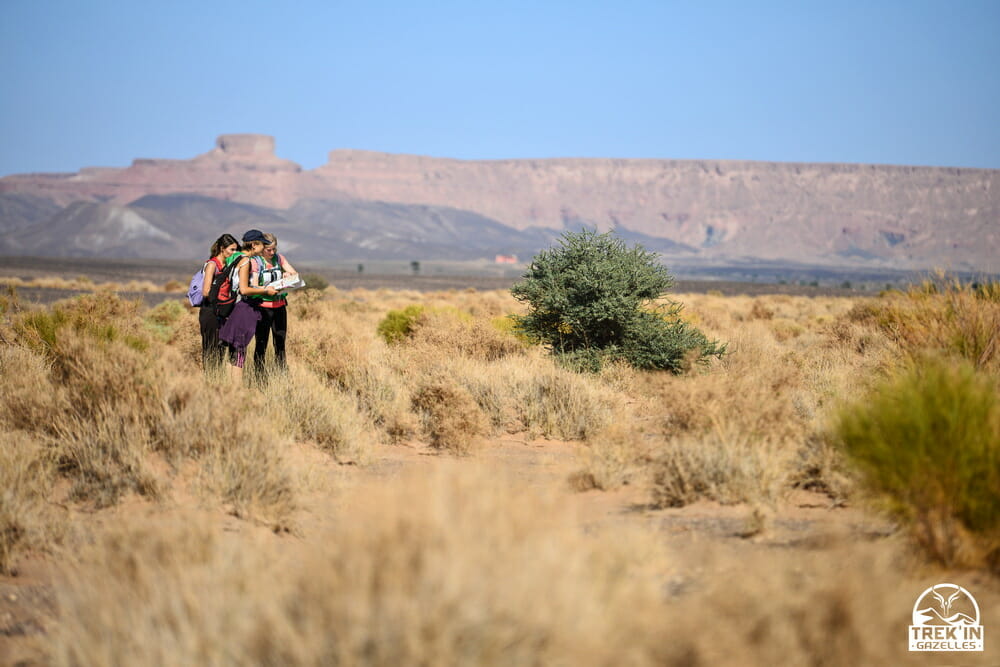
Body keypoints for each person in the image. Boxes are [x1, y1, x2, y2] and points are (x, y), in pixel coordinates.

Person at [218, 229, 278, 381]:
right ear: (253, 244)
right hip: (243, 308)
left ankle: (228, 387)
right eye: (261, 245)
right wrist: (265, 290)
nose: (263, 249)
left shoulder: (235, 257)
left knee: (233, 350)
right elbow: (244, 289)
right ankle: (237, 391)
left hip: (234, 308)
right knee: (239, 350)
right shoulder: (245, 261)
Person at [251, 233, 298, 375]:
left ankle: (281, 373)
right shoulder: (255, 262)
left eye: (274, 249)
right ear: (261, 248)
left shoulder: (279, 258)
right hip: (263, 308)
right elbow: (252, 286)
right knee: (261, 344)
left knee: (280, 343)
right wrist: (267, 290)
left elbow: (294, 274)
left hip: (279, 307)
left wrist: (288, 275)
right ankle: (259, 375)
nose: (272, 253)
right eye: (268, 250)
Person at [198, 233, 238, 370]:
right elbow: (205, 291)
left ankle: (217, 380)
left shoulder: (227, 264)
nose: (234, 252)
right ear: (222, 248)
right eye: (231, 249)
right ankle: (209, 381)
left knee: (220, 349)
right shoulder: (212, 264)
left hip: (221, 311)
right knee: (210, 349)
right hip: (210, 311)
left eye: (236, 250)